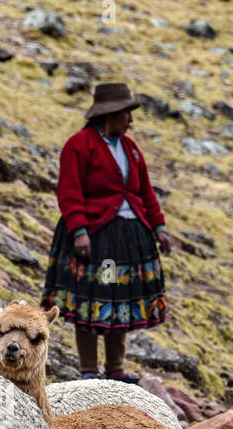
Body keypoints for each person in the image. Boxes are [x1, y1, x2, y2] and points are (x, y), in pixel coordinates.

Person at [41, 82, 175, 382]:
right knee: (92, 302)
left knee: (120, 303)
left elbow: (145, 192)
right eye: (127, 113)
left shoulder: (131, 149)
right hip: (95, 239)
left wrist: (159, 227)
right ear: (110, 114)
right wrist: (79, 231)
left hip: (128, 240)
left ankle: (116, 370)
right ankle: (89, 370)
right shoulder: (79, 145)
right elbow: (69, 191)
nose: (130, 120)